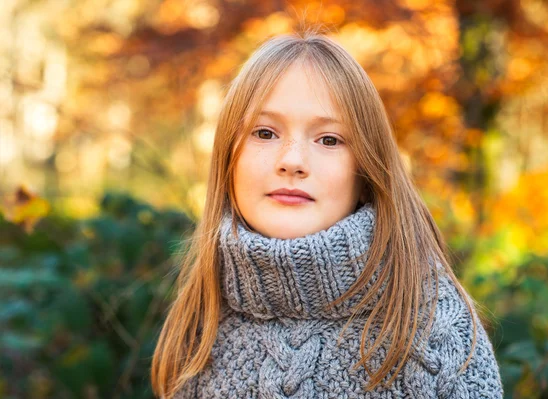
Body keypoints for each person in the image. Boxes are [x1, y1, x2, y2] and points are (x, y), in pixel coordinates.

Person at [151, 29, 504, 399]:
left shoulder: (429, 331)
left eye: (329, 140)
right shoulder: (199, 323)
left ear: (366, 169)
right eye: (265, 132)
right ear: (228, 157)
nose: (292, 161)